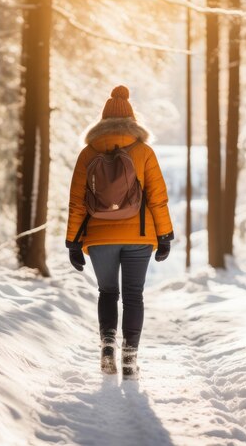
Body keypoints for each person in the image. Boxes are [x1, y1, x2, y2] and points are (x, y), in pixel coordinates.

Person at [65, 85, 174, 380]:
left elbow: (77, 202)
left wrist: (72, 242)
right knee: (133, 296)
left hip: (99, 239)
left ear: (102, 121)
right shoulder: (144, 151)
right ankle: (130, 357)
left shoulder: (88, 153)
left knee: (107, 292)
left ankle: (107, 346)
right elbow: (157, 197)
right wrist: (164, 235)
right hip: (138, 237)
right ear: (132, 118)